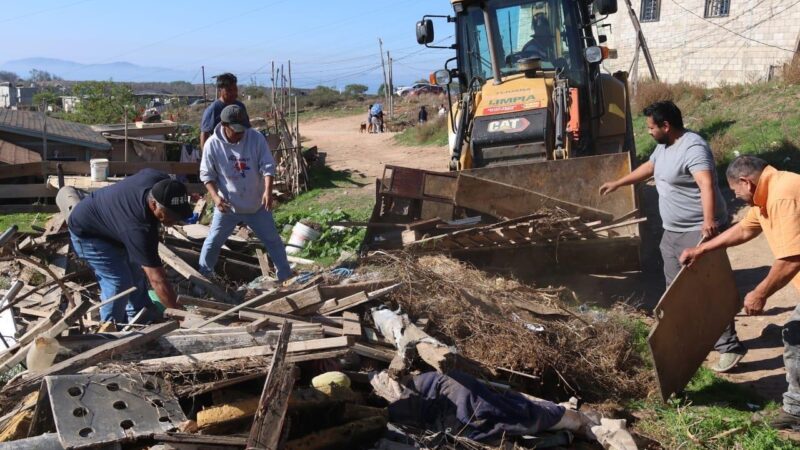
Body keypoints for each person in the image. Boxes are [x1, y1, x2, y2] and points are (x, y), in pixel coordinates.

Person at [599, 100, 746, 372]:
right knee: (674, 291)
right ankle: (692, 341)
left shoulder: (693, 147)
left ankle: (729, 347)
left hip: (697, 231)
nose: (648, 132)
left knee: (708, 288)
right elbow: (650, 167)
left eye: (651, 127)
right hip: (672, 231)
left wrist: (708, 222)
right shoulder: (663, 147)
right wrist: (620, 182)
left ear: (666, 126)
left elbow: (705, 185)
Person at [680, 156, 800, 430]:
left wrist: (760, 293)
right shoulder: (767, 192)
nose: (736, 196)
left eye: (735, 191)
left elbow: (792, 258)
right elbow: (746, 228)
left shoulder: (782, 196)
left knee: (795, 336)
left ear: (746, 181)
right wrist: (702, 249)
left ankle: (795, 411)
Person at [68, 170, 192, 324]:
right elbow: (157, 280)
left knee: (135, 274)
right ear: (154, 204)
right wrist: (178, 314)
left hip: (115, 226)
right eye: (171, 215)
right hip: (89, 233)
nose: (175, 220)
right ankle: (111, 331)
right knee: (119, 283)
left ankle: (141, 317)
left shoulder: (160, 181)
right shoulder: (139, 228)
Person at [199, 104, 292, 281]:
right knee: (213, 241)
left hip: (256, 204)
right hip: (228, 206)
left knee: (273, 241)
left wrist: (267, 190)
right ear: (224, 125)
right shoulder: (212, 144)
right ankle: (203, 278)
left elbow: (268, 166)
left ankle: (286, 277)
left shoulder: (255, 138)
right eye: (236, 131)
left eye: (243, 130)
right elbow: (206, 174)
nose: (240, 134)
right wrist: (215, 197)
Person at [199, 73, 251, 151]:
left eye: (235, 89)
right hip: (220, 153)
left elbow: (247, 129)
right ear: (220, 90)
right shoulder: (213, 109)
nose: (233, 93)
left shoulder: (240, 107)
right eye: (229, 90)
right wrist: (206, 156)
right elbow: (204, 134)